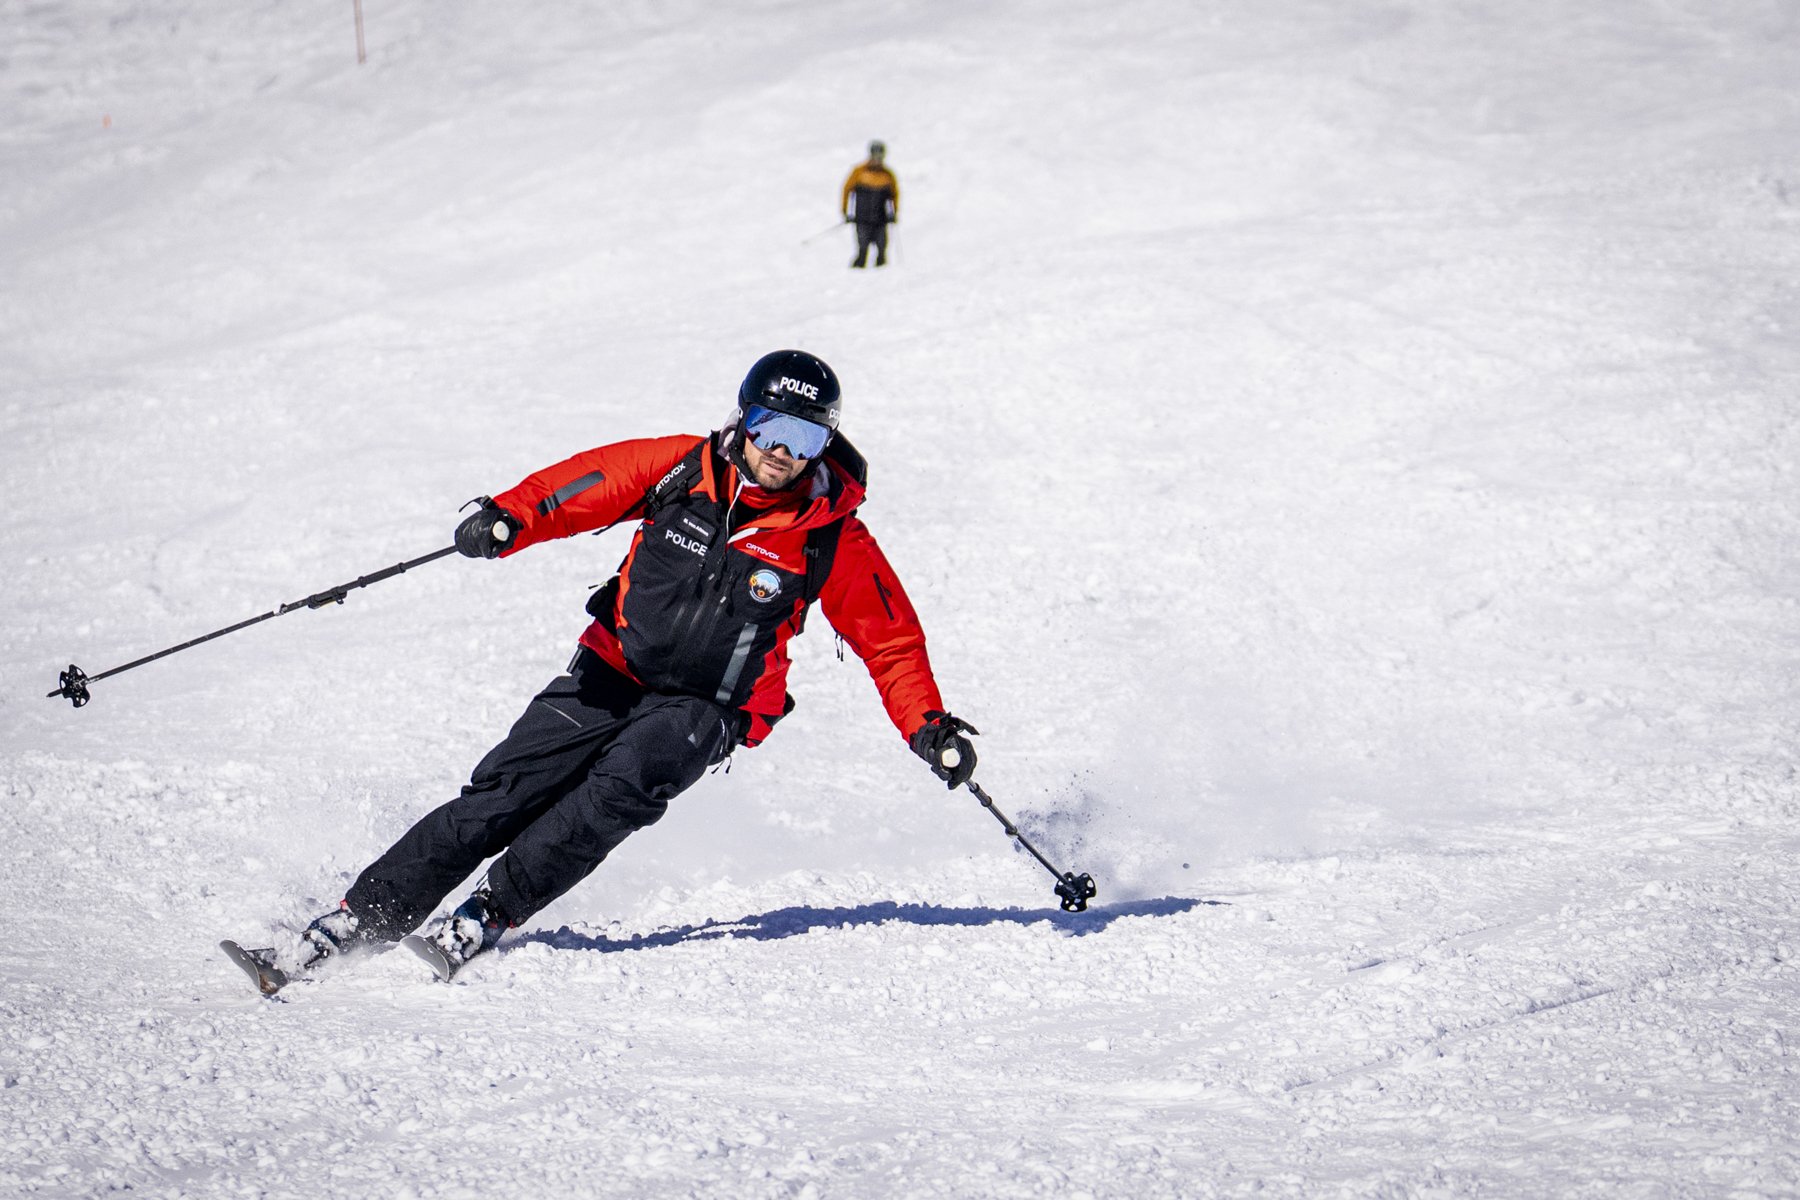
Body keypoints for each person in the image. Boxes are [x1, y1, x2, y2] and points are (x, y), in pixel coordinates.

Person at [282, 350, 978, 979]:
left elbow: (888, 640)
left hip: (709, 706)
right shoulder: (681, 469)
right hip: (612, 667)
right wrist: (510, 520)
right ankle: (362, 914)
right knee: (504, 793)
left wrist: (928, 727)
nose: (779, 452)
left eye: (803, 439)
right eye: (770, 427)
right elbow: (584, 485)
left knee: (618, 789)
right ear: (745, 418)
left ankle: (487, 914)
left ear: (824, 446)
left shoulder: (831, 536)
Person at [840, 140, 898, 268]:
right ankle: (855, 278)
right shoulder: (859, 172)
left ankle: (882, 280)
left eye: (880, 156)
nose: (877, 159)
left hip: (880, 220)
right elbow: (846, 190)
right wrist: (845, 212)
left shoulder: (887, 175)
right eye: (875, 155)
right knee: (862, 250)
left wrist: (894, 213)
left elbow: (894, 195)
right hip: (862, 219)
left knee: (882, 250)